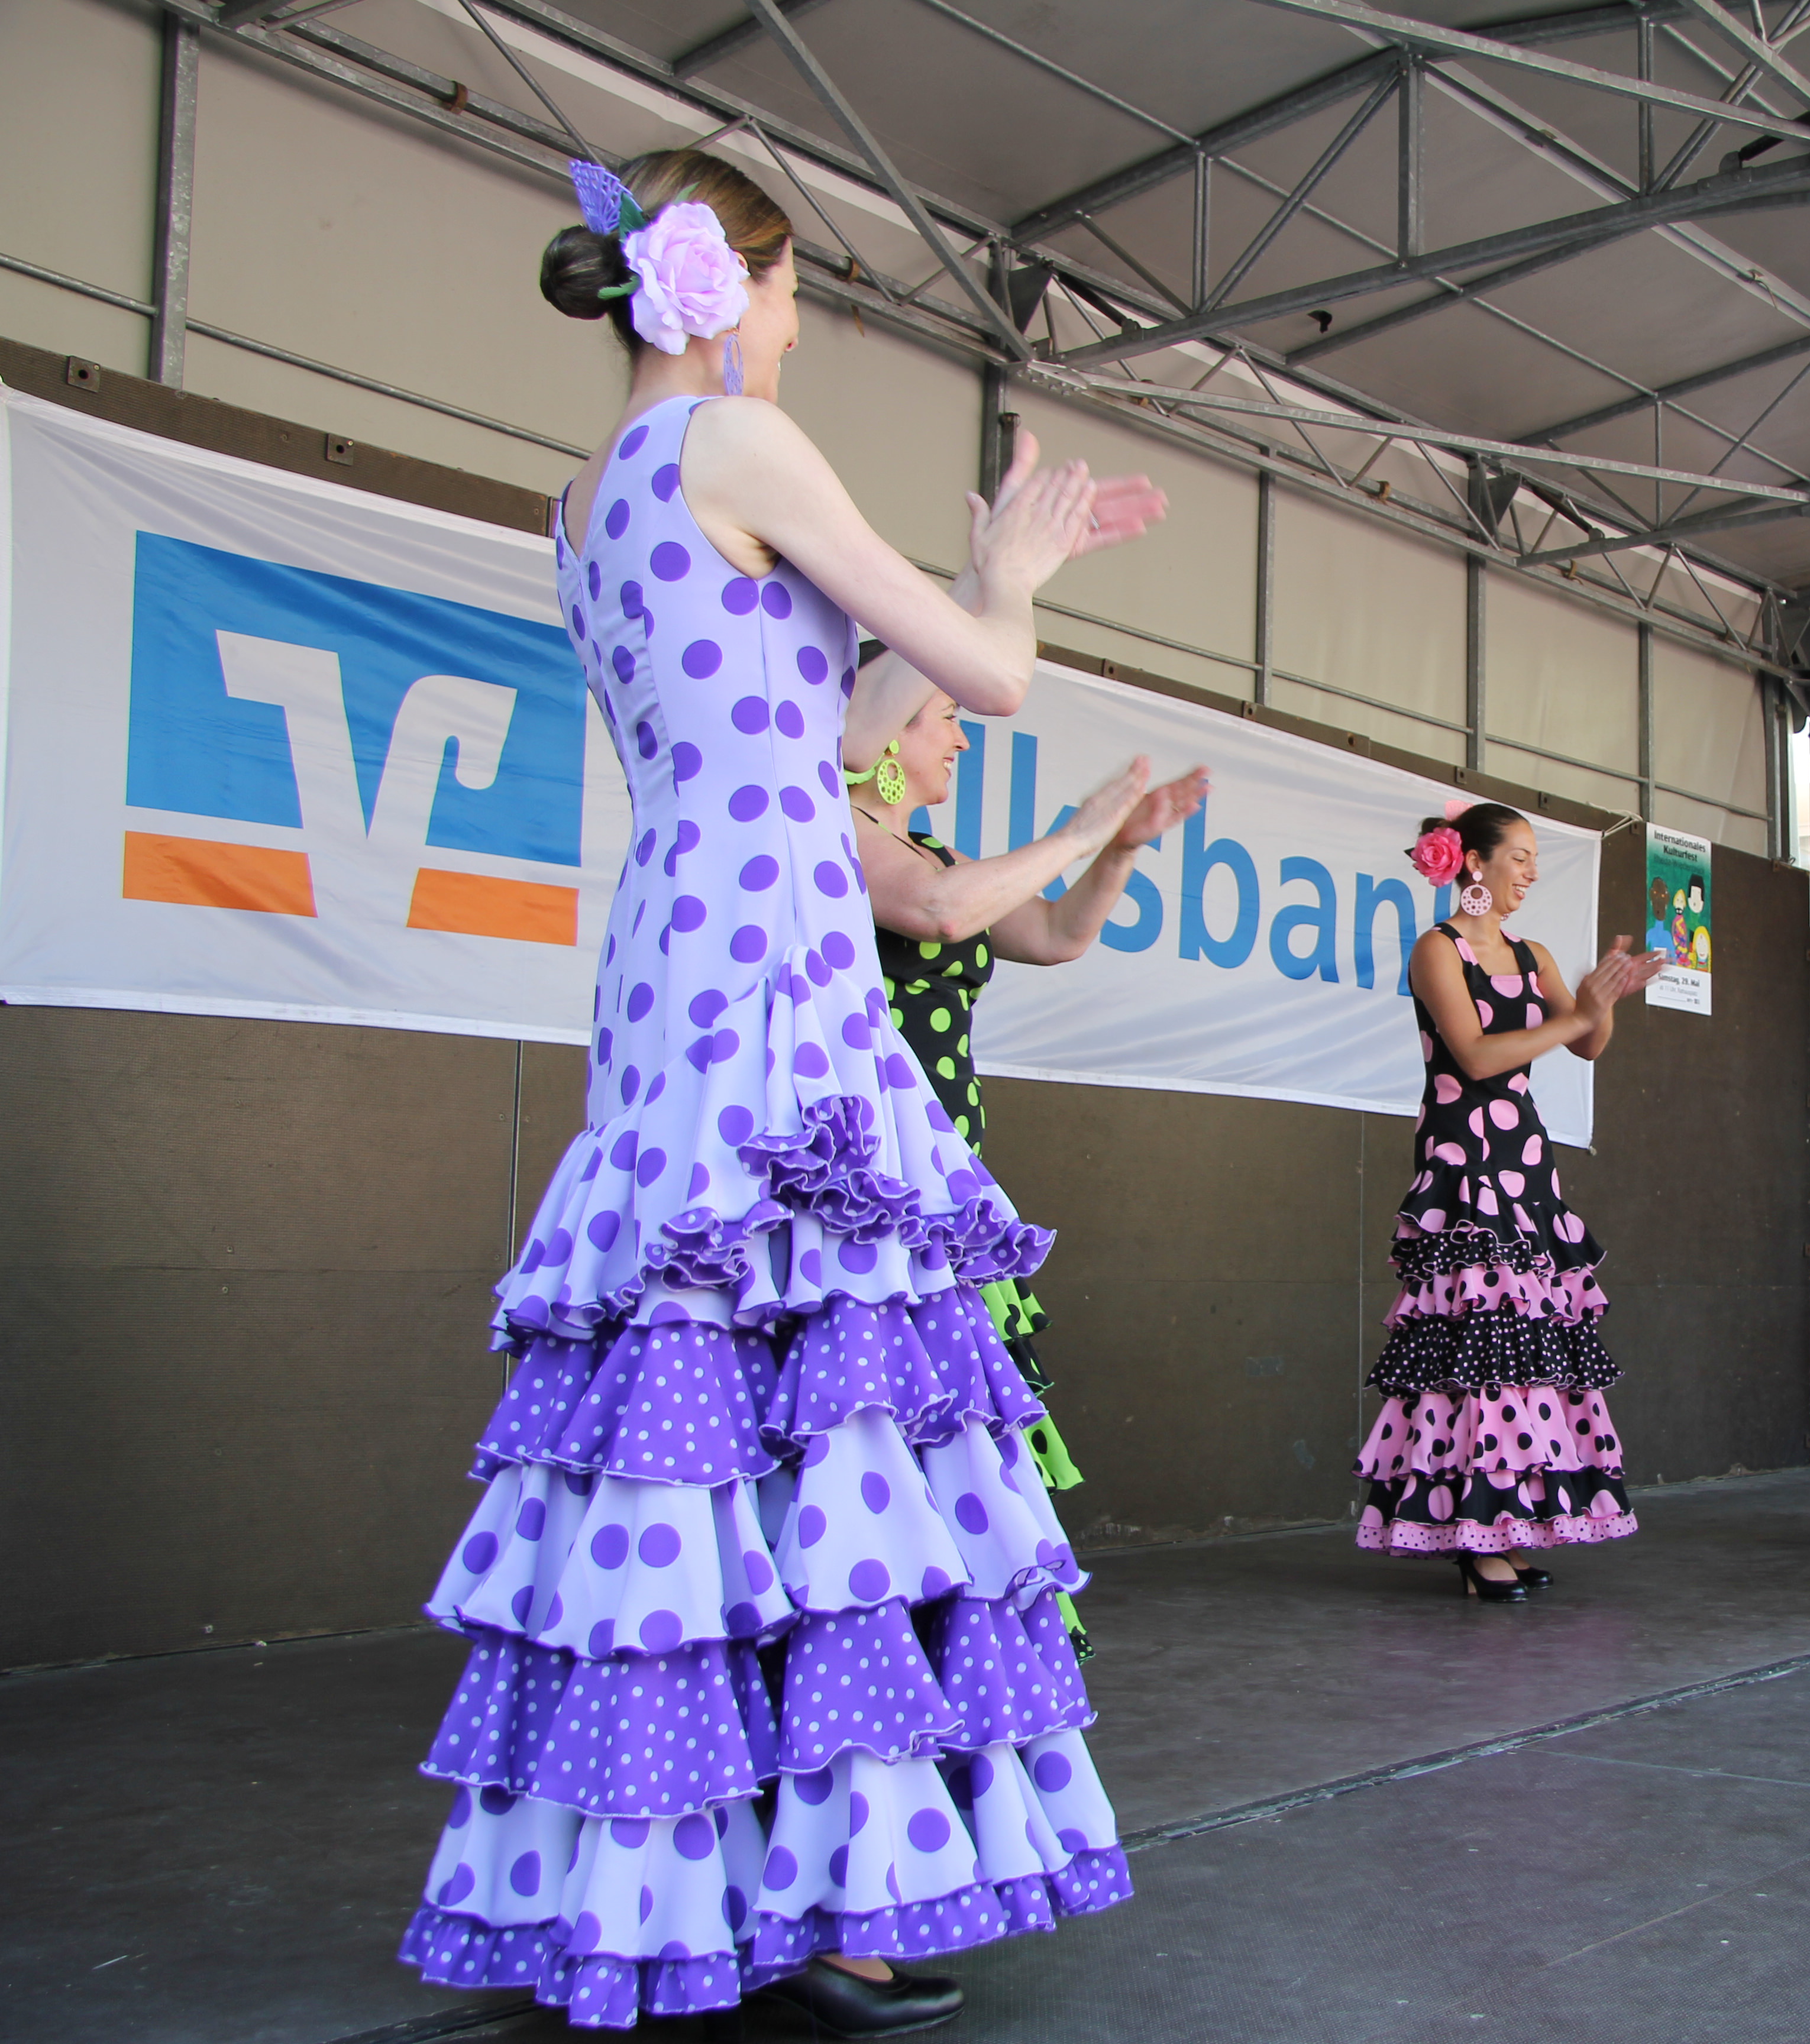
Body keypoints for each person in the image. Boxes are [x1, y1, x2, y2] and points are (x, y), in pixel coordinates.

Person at [400, 151, 1161, 2036]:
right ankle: (844, 1895)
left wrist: (969, 590)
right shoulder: (737, 441)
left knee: (690, 1408)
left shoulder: (585, 495)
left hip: (676, 949)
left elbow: (803, 719)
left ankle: (664, 1882)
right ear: (720, 282)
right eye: (797, 289)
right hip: (777, 960)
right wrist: (1007, 584)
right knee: (830, 1407)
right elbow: (984, 676)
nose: (804, 326)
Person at [850, 675, 1209, 1654]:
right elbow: (934, 913)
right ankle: (869, 1635)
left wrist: (1119, 849)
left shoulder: (937, 855)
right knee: (872, 1411)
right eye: (947, 720)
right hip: (865, 1178)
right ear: (886, 734)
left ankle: (942, 1641)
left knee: (941, 1418)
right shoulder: (833, 834)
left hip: (943, 1176)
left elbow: (1054, 935)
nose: (961, 742)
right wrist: (1079, 832)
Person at [1354, 803, 1668, 1597]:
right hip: (1462, 1158)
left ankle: (1511, 1524)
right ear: (1474, 863)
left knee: (1525, 1348)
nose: (1530, 871)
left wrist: (1601, 1003)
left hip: (1526, 1164)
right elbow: (1477, 1056)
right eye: (1519, 856)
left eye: (1534, 858)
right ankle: (1473, 1535)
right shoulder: (1439, 949)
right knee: (1475, 1346)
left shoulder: (1534, 955)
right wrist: (1576, 1016)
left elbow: (1587, 1043)